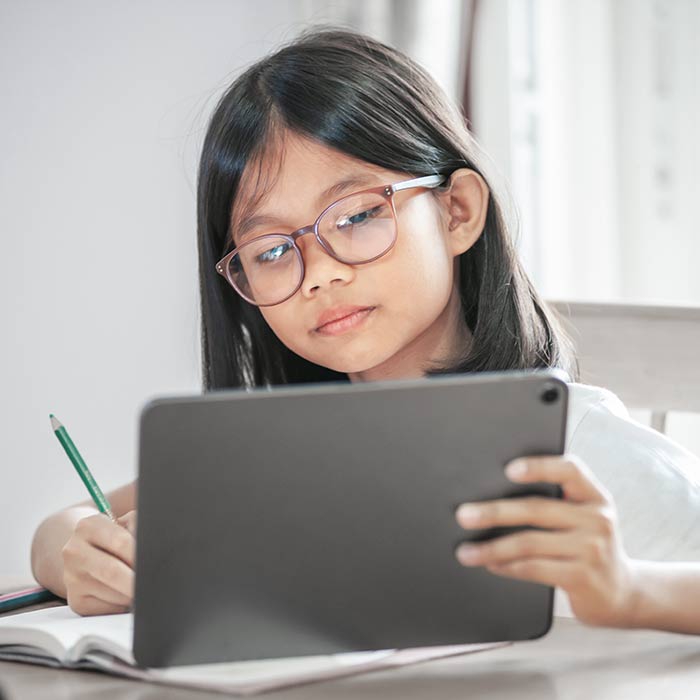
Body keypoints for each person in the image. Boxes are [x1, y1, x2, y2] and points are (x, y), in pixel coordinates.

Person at [31, 27, 700, 633]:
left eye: (354, 217)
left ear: (457, 210)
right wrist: (77, 555)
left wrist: (631, 589)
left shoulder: (574, 445)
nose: (317, 274)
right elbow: (59, 529)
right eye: (270, 251)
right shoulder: (270, 453)